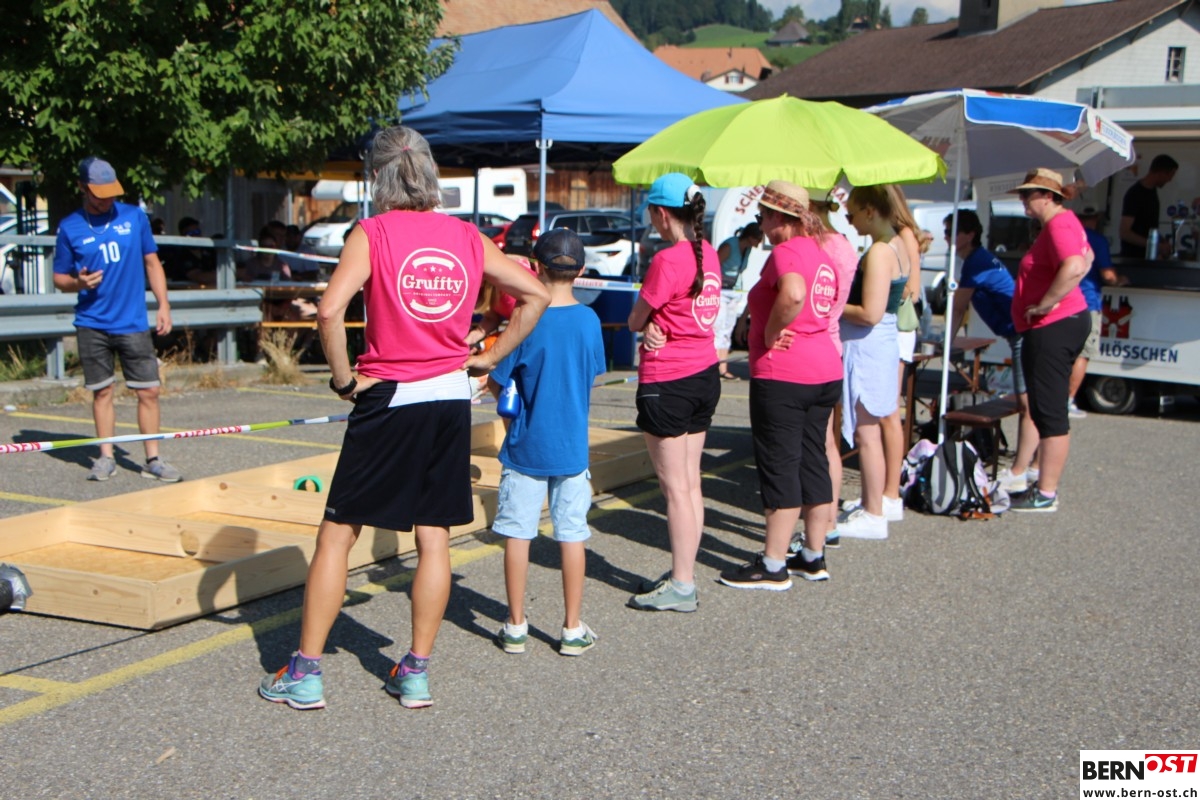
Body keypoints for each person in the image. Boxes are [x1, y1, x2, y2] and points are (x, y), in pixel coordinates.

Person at [258, 125, 548, 711]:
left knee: (338, 533)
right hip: (448, 396)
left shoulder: (372, 233)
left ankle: (306, 671)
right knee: (433, 535)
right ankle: (415, 671)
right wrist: (488, 356)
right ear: (431, 174)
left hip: (390, 394)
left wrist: (343, 380)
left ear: (377, 177)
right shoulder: (466, 236)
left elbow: (330, 311)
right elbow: (535, 293)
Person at [489, 228, 607, 656]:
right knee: (572, 534)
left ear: (536, 267)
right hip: (572, 446)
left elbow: (497, 380)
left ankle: (516, 625)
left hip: (525, 444)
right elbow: (591, 374)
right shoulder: (589, 321)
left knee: (518, 534)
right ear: (582, 270)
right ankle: (572, 628)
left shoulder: (526, 317)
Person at [719, 182, 842, 589]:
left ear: (778, 218)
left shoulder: (787, 251)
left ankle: (773, 564)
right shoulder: (820, 252)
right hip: (824, 368)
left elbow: (793, 293)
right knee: (813, 459)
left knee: (780, 463)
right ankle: (813, 554)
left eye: (762, 217)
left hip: (785, 373)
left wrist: (771, 331)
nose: (761, 225)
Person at [51, 157, 182, 483]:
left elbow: (152, 263)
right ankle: (106, 457)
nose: (106, 199)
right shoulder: (70, 226)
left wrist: (163, 304)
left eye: (111, 192)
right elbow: (59, 278)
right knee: (103, 392)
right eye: (99, 194)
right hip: (92, 322)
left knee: (149, 391)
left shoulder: (134, 217)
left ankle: (153, 458)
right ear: (83, 188)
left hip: (132, 321)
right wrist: (78, 283)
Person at [626, 173, 721, 612]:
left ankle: (682, 584)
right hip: (703, 375)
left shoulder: (668, 260)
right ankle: (685, 573)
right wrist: (656, 323)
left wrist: (649, 324)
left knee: (675, 489)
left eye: (651, 212)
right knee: (691, 483)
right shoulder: (709, 253)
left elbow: (634, 319)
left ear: (662, 214)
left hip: (668, 381)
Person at [1006, 168, 1092, 512]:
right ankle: (1043, 486)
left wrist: (1046, 302)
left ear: (1046, 196)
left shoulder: (1058, 224)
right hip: (1059, 323)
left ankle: (1046, 492)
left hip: (1054, 325)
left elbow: (1075, 266)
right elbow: (1087, 259)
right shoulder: (1063, 223)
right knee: (1045, 406)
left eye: (1027, 194)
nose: (1023, 200)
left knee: (1050, 409)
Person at [944, 209, 1039, 493]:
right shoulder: (979, 259)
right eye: (946, 231)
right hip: (1020, 333)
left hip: (1023, 334)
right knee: (1031, 403)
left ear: (970, 234)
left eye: (952, 232)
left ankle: (1022, 470)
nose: (947, 237)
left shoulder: (976, 263)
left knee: (1027, 404)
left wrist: (945, 342)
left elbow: (958, 308)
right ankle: (1033, 465)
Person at [837, 185, 912, 540]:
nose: (849, 221)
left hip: (869, 345)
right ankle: (877, 502)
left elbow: (870, 312)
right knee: (872, 428)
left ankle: (873, 513)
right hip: (880, 342)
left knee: (867, 432)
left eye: (851, 214)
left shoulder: (881, 251)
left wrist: (832, 304)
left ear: (870, 211)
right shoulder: (897, 243)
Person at [1067, 207, 1125, 418]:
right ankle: (1067, 401)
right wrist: (1120, 280)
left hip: (1062, 301)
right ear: (1096, 218)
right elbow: (1108, 275)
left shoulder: (1066, 236)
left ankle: (1053, 398)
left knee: (1061, 353)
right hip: (1087, 303)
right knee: (1083, 353)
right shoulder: (1097, 240)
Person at [714, 222, 763, 379]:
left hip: (734, 292)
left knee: (727, 330)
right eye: (757, 239)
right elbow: (713, 265)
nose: (758, 244)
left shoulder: (747, 249)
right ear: (750, 237)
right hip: (721, 291)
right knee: (717, 328)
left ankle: (723, 367)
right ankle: (713, 366)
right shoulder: (729, 246)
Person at [1119, 154, 1177, 258]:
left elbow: (1146, 228)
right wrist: (1155, 245)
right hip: (1133, 259)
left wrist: (1161, 241)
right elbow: (1125, 233)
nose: (1170, 180)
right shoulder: (1135, 194)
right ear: (1161, 173)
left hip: (1148, 258)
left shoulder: (1152, 192)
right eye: (1170, 175)